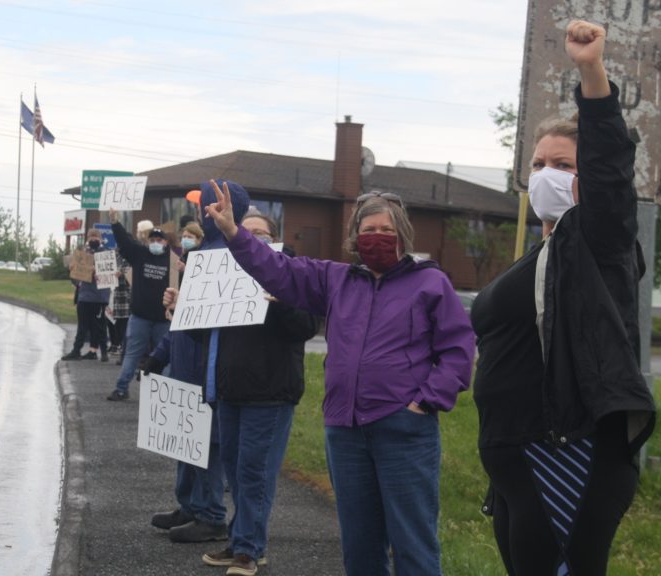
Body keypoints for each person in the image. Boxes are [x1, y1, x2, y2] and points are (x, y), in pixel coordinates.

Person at [203, 180, 475, 576]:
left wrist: (427, 401)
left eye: (386, 230)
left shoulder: (431, 283)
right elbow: (277, 270)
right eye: (368, 230)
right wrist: (233, 231)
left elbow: (458, 348)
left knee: (412, 540)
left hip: (403, 428)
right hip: (344, 430)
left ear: (402, 235)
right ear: (354, 237)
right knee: (359, 541)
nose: (377, 237)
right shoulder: (336, 280)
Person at [470, 21, 656, 576]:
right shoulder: (542, 253)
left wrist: (590, 71)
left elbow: (611, 170)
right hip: (515, 462)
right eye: (538, 164)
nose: (546, 174)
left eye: (563, 165)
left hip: (566, 455)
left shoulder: (600, 243)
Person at [200, 211, 319, 576]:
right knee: (235, 472)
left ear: (274, 240)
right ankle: (242, 541)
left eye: (260, 234)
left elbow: (305, 327)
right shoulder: (226, 274)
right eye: (245, 233)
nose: (252, 239)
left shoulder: (292, 275)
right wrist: (180, 308)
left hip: (270, 393)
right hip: (232, 391)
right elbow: (204, 333)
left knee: (256, 473)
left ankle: (250, 550)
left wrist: (281, 301)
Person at [145, 219, 229, 543]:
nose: (181, 255)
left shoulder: (214, 287)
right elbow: (177, 332)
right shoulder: (189, 285)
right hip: (181, 378)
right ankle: (189, 507)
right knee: (185, 448)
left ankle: (211, 516)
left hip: (202, 382)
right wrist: (157, 358)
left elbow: (202, 330)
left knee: (206, 451)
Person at [107, 209, 172, 401]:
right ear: (147, 241)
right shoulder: (140, 254)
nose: (155, 243)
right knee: (132, 354)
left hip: (163, 318)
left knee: (164, 357)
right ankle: (121, 388)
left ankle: (163, 394)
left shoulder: (174, 261)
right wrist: (115, 222)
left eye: (159, 240)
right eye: (152, 240)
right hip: (140, 317)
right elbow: (125, 241)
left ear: (166, 243)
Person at [62, 228, 111, 362]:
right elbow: (75, 278)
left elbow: (112, 274)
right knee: (83, 325)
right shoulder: (82, 253)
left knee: (99, 325)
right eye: (91, 237)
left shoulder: (106, 253)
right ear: (87, 239)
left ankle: (101, 351)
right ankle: (77, 350)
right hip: (84, 295)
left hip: (99, 296)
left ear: (101, 239)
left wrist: (97, 269)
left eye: (96, 237)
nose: (93, 240)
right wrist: (72, 270)